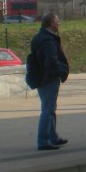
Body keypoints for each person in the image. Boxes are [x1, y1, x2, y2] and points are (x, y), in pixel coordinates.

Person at [31, 13, 69, 150]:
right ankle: (43, 141)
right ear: (51, 23)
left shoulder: (39, 37)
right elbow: (51, 61)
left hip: (42, 78)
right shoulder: (48, 40)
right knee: (48, 110)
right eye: (57, 20)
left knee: (50, 109)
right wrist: (61, 72)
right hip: (49, 79)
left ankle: (53, 137)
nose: (59, 23)